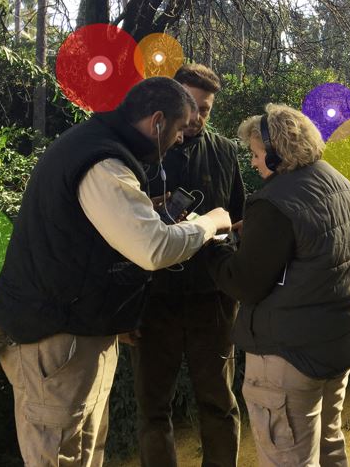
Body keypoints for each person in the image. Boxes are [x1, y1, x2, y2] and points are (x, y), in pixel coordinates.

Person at [0, 76, 232, 467]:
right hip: (54, 338)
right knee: (59, 456)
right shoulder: (103, 162)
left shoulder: (97, 146)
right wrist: (210, 223)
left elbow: (89, 239)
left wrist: (143, 211)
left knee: (84, 451)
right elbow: (154, 248)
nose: (183, 137)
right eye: (180, 127)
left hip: (80, 332)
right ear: (158, 122)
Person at [201, 103, 350, 467]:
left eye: (256, 153)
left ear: (276, 152)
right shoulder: (339, 182)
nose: (253, 162)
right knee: (329, 448)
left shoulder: (273, 202)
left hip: (287, 357)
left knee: (287, 458)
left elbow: (245, 283)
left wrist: (212, 246)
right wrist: (256, 233)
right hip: (338, 341)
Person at [132, 63, 245, 467]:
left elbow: (238, 219)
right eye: (190, 106)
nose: (196, 117)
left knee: (218, 401)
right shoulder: (139, 152)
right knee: (153, 408)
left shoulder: (225, 151)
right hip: (152, 299)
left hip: (212, 299)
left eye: (205, 109)